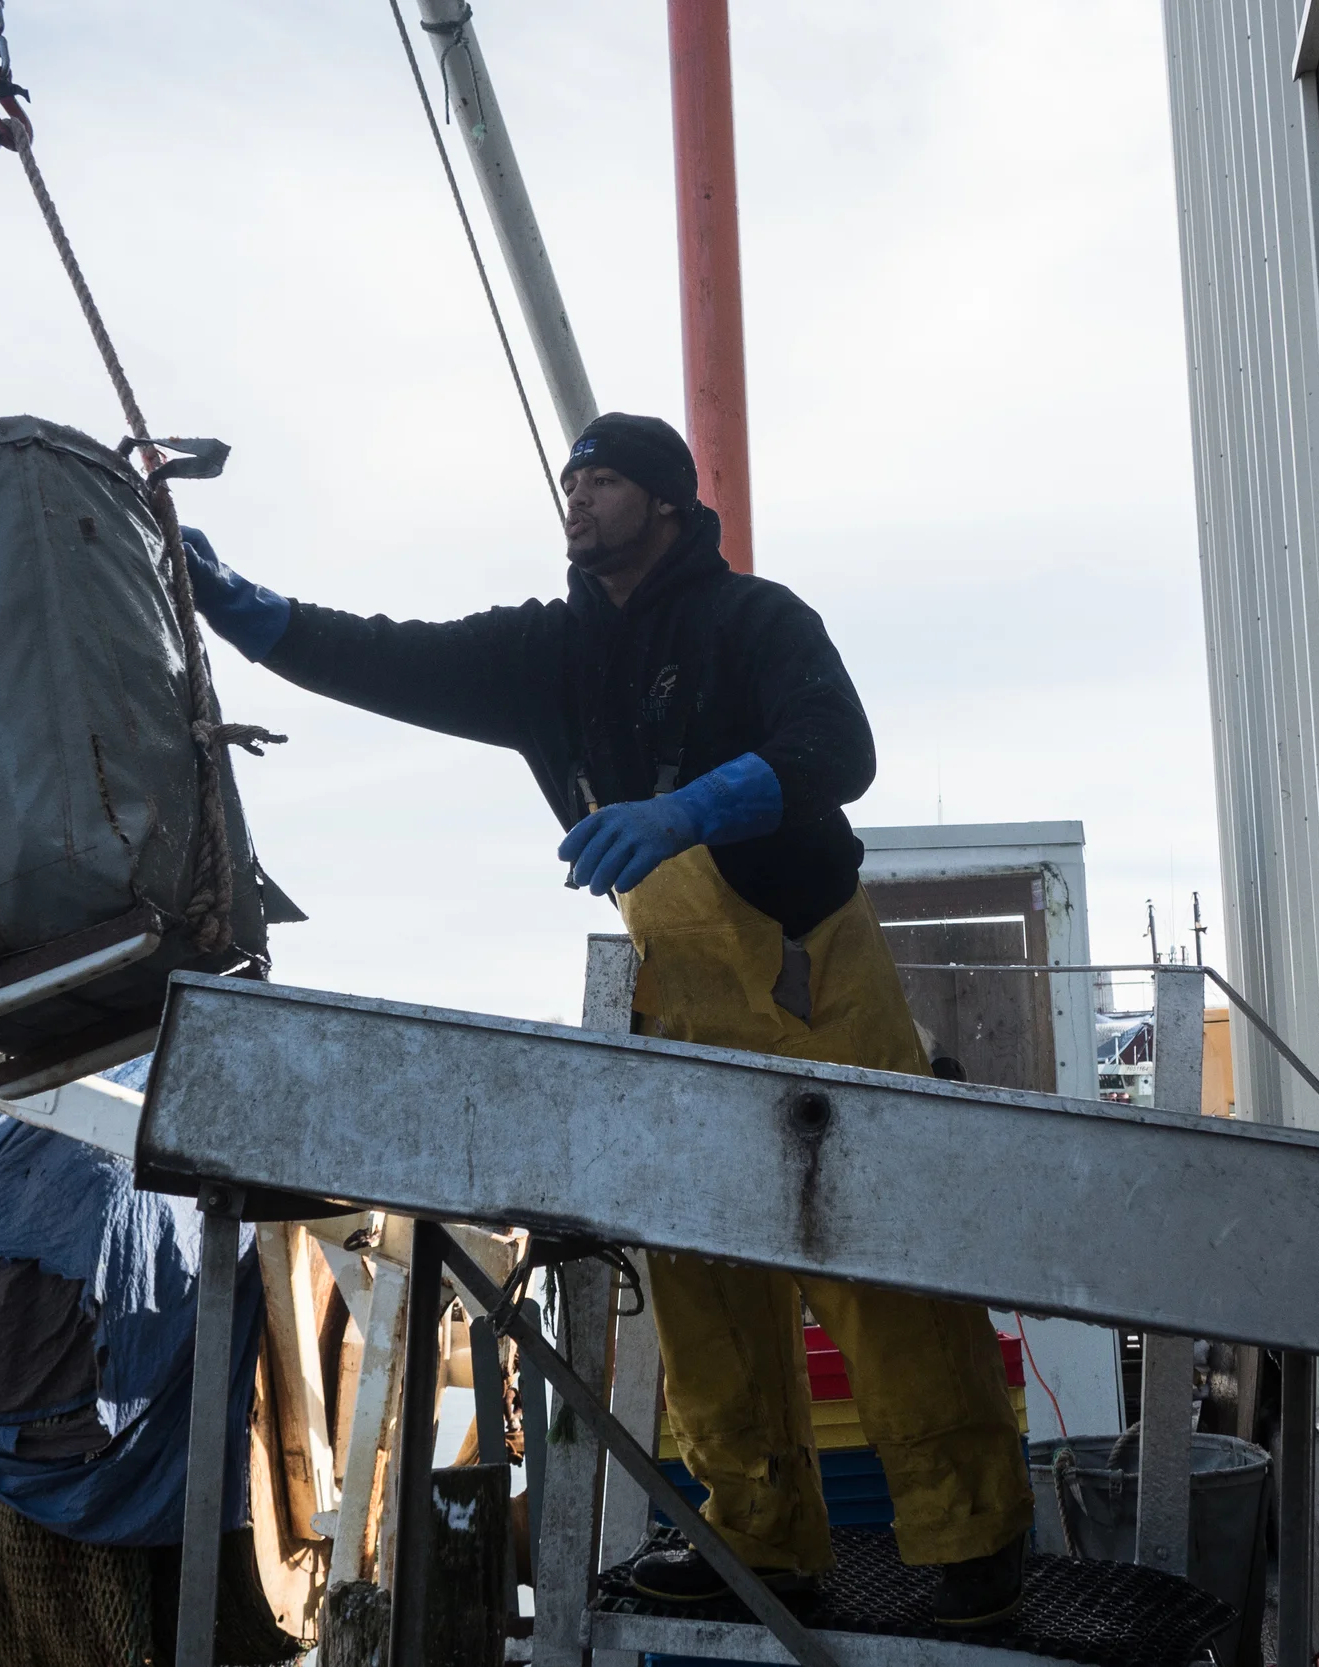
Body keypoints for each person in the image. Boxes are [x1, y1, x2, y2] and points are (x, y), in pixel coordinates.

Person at [182, 412, 1033, 1626]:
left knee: (877, 1260)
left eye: (606, 478)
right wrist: (244, 610)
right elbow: (390, 655)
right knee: (696, 1274)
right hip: (673, 997)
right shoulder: (549, 653)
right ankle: (762, 1537)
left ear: (671, 502)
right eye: (569, 477)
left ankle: (970, 1542)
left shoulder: (758, 620)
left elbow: (837, 747)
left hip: (809, 973)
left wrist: (694, 806)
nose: (576, 495)